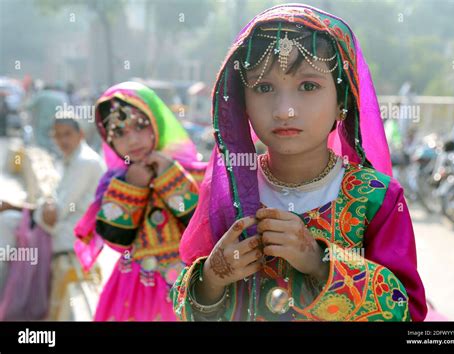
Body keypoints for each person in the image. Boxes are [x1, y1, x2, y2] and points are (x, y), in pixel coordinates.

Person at [171, 4, 427, 321]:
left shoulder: (377, 199)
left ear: (342, 101)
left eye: (308, 86)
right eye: (264, 87)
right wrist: (210, 280)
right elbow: (184, 303)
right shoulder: (228, 196)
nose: (284, 110)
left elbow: (408, 313)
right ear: (242, 102)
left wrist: (319, 262)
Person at [74, 82, 206, 321]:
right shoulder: (114, 182)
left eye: (140, 126)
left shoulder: (195, 173)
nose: (133, 140)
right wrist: (133, 186)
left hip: (189, 288)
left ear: (157, 121)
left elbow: (202, 225)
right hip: (135, 291)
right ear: (109, 140)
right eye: (120, 133)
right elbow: (115, 236)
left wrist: (168, 173)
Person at [0, 114, 105, 320]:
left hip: (69, 236)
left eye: (67, 134)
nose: (62, 140)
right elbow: (51, 206)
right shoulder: (71, 159)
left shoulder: (85, 162)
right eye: (57, 135)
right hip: (61, 229)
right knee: (9, 225)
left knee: (7, 225)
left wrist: (20, 207)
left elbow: (53, 215)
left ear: (80, 134)